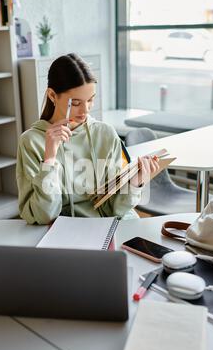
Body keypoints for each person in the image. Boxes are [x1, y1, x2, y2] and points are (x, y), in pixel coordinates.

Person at [16, 53, 159, 224]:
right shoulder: (31, 142)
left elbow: (117, 209)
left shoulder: (105, 133)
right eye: (76, 103)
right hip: (66, 232)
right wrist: (49, 160)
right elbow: (44, 216)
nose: (85, 110)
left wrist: (135, 184)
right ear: (52, 96)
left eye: (90, 100)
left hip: (110, 225)